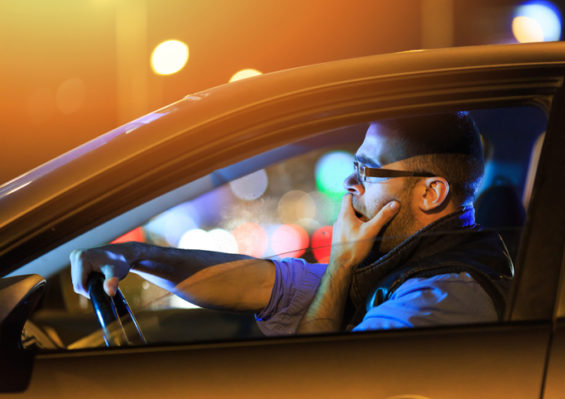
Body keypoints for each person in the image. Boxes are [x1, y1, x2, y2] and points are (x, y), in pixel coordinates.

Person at [71, 112, 513, 336]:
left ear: (431, 193)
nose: (349, 183)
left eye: (367, 171)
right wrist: (136, 255)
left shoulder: (443, 298)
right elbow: (250, 284)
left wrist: (340, 265)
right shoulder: (402, 265)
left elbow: (319, 383)